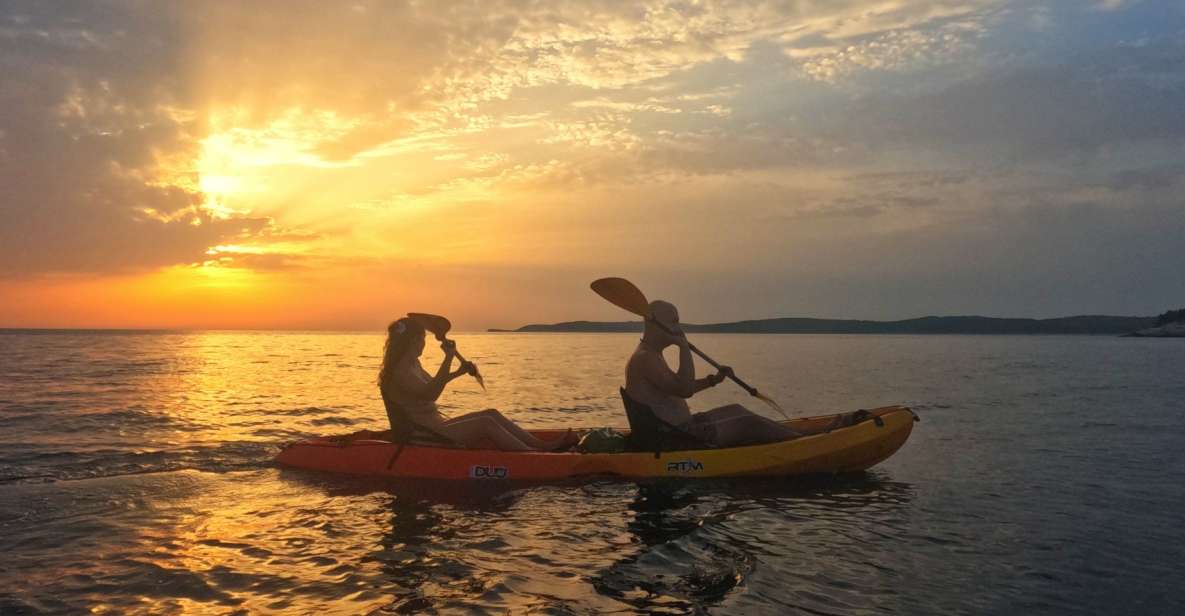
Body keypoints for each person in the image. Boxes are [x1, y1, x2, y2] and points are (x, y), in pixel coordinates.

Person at [378, 317, 577, 451]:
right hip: (423, 436)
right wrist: (448, 358)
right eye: (423, 338)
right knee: (485, 424)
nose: (424, 343)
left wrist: (457, 372)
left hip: (436, 427)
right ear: (414, 340)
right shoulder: (399, 370)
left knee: (490, 413)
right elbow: (431, 394)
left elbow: (432, 384)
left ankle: (542, 447)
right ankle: (533, 456)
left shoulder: (413, 363)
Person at [624, 300, 804, 447]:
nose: (679, 328)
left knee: (737, 409)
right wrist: (683, 348)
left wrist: (713, 380)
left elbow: (677, 387)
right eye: (673, 321)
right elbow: (685, 390)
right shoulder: (645, 358)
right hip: (675, 438)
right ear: (654, 324)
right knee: (747, 422)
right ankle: (801, 445)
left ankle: (796, 437)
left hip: (685, 428)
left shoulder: (652, 355)